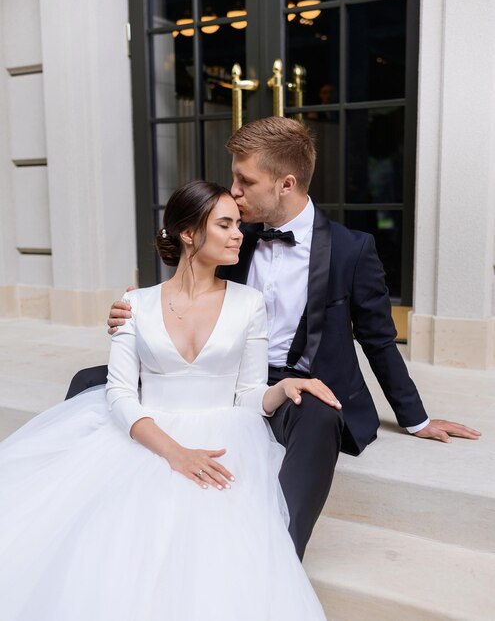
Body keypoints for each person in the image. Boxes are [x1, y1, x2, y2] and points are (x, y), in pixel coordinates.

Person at [70, 117, 481, 561]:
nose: (235, 190)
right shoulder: (232, 235)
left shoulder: (350, 249)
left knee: (322, 416)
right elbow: (189, 284)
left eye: (245, 180)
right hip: (223, 371)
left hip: (295, 384)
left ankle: (276, 555)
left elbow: (379, 339)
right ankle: (80, 518)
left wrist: (416, 419)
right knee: (89, 384)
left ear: (285, 184)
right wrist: (136, 313)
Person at [0, 181, 334, 621]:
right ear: (189, 234)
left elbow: (249, 396)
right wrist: (176, 453)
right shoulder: (133, 305)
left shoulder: (249, 303)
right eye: (225, 224)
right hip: (147, 437)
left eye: (238, 224)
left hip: (226, 441)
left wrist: (285, 389)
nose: (239, 233)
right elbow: (120, 394)